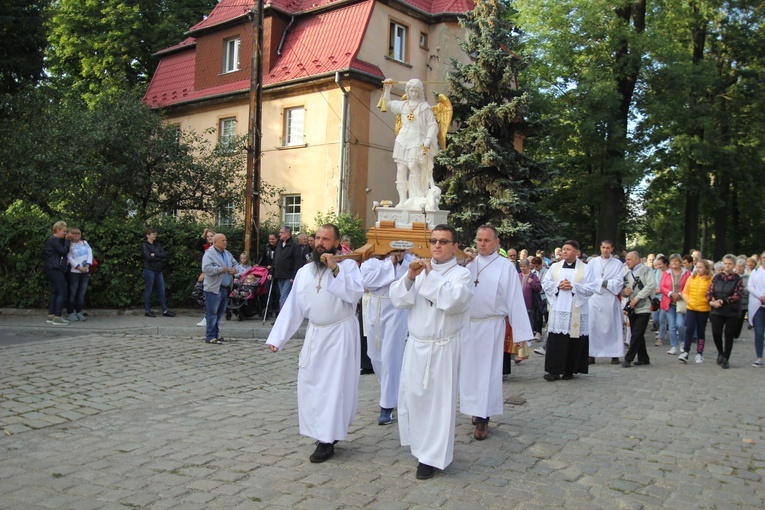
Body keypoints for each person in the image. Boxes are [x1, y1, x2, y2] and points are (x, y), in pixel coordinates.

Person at [266, 224, 363, 463]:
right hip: (315, 334)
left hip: (340, 333)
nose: (320, 243)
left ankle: (326, 440)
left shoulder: (348, 265)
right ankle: (320, 431)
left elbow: (354, 294)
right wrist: (278, 337)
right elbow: (293, 307)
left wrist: (335, 268)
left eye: (326, 239)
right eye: (317, 238)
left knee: (333, 387)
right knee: (310, 384)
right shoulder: (305, 271)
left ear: (337, 243)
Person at [390, 224, 472, 480]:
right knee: (415, 398)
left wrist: (429, 275)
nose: (437, 245)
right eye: (434, 241)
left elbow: (452, 301)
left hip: (443, 346)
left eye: (444, 241)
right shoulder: (418, 269)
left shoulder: (461, 274)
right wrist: (410, 278)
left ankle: (432, 457)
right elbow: (399, 300)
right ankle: (420, 447)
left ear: (454, 246)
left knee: (439, 403)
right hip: (417, 344)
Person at [461, 225, 532, 441]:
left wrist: (520, 335)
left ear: (496, 243)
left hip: (491, 325)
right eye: (479, 239)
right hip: (467, 325)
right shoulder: (468, 264)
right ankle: (475, 408)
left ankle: (483, 418)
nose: (481, 244)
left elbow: (514, 298)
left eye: (486, 240)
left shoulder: (505, 267)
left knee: (487, 373)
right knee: (470, 373)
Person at [361, 250, 412, 425]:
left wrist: (400, 262)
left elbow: (407, 279)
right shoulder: (371, 263)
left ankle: (387, 405)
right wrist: (390, 263)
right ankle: (391, 392)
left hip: (396, 310)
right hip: (375, 308)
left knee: (390, 356)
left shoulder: (409, 261)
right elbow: (368, 282)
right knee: (374, 355)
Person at [540, 240, 596, 381]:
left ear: (577, 252)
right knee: (557, 340)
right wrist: (558, 285)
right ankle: (554, 371)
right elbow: (545, 283)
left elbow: (591, 288)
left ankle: (569, 370)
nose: (564, 251)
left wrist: (573, 287)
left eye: (568, 249)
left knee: (574, 340)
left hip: (576, 309)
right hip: (559, 308)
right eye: (563, 249)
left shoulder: (586, 268)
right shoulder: (555, 267)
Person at [382, 78, 440, 208]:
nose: (413, 93)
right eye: (411, 90)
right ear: (407, 90)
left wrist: (428, 139)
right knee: (401, 168)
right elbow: (387, 104)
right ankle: (402, 200)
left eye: (416, 91)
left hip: (417, 139)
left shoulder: (424, 107)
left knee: (413, 165)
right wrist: (387, 89)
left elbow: (433, 125)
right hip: (403, 139)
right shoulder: (403, 105)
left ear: (420, 91)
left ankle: (418, 194)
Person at [587, 240, 625, 364]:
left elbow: (619, 282)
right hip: (595, 298)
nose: (605, 250)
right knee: (593, 326)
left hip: (610, 298)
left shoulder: (618, 264)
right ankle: (591, 354)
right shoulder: (592, 262)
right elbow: (588, 279)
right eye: (603, 247)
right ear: (600, 248)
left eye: (608, 248)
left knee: (612, 326)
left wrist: (603, 282)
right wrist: (603, 283)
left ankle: (614, 354)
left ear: (612, 249)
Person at [707, 254, 743, 369]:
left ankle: (726, 358)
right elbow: (709, 291)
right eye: (725, 263)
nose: (727, 266)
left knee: (729, 334)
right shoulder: (717, 277)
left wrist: (722, 301)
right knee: (716, 333)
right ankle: (720, 352)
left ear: (734, 265)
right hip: (717, 310)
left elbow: (737, 295)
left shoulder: (738, 279)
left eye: (729, 264)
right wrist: (711, 301)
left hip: (731, 311)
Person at [621, 251, 656, 368]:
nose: (627, 261)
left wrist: (637, 298)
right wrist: (625, 292)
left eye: (630, 259)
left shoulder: (647, 270)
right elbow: (623, 289)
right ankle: (643, 358)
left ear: (637, 260)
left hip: (644, 306)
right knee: (637, 333)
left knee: (636, 333)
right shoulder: (626, 272)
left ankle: (628, 358)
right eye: (626, 259)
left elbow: (650, 286)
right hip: (632, 307)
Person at [201, 234, 237, 344]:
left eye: (226, 240)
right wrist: (220, 269)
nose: (225, 242)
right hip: (213, 288)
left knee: (220, 312)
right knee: (212, 313)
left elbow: (236, 264)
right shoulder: (209, 254)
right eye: (223, 240)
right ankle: (210, 336)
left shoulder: (227, 253)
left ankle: (215, 334)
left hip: (225, 287)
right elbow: (206, 268)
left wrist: (234, 270)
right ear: (216, 242)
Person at [679, 259, 712, 364]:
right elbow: (685, 291)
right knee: (689, 329)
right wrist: (689, 300)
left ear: (706, 268)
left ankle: (699, 353)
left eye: (700, 267)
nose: (698, 269)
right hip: (691, 308)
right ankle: (686, 351)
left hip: (704, 309)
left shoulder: (711, 279)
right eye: (697, 267)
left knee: (700, 331)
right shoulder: (691, 278)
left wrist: (708, 301)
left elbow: (712, 293)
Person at [660, 254, 690, 355]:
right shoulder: (666, 273)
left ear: (680, 262)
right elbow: (662, 286)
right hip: (669, 302)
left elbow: (688, 286)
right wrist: (670, 293)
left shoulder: (687, 273)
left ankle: (682, 342)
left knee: (680, 324)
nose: (674, 263)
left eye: (676, 261)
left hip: (681, 302)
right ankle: (673, 346)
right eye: (672, 261)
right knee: (672, 326)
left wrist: (680, 294)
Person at [141, 228, 175, 318]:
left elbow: (164, 255)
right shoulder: (145, 245)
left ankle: (165, 310)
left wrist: (155, 254)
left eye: (155, 234)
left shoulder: (157, 244)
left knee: (162, 290)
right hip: (149, 269)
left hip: (158, 270)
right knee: (149, 289)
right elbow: (148, 257)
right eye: (152, 234)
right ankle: (147, 310)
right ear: (147, 235)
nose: (154, 235)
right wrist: (158, 256)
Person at [43, 221, 71, 325]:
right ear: (57, 230)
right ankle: (58, 316)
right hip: (55, 268)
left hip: (51, 267)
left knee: (55, 291)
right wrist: (68, 241)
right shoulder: (54, 240)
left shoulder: (53, 240)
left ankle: (51, 315)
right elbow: (63, 251)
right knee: (62, 290)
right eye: (64, 231)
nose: (65, 233)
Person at [514, 258, 540, 363]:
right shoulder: (518, 276)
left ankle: (528, 338)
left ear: (528, 266)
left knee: (529, 321)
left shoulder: (533, 276)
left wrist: (532, 283)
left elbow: (538, 288)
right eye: (521, 266)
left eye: (524, 266)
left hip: (529, 304)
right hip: (518, 304)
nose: (522, 268)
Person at [65, 227, 93, 322]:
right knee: (73, 292)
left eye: (78, 234)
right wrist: (78, 267)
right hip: (74, 272)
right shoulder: (69, 245)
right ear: (71, 235)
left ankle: (79, 311)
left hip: (85, 271)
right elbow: (68, 257)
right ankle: (70, 312)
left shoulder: (84, 243)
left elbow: (90, 253)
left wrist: (87, 266)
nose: (76, 235)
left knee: (81, 293)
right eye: (74, 233)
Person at [273, 226, 302, 310]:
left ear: (287, 233)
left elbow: (298, 262)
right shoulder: (279, 244)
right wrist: (272, 272)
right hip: (279, 274)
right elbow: (275, 259)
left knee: (284, 296)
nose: (279, 234)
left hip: (289, 276)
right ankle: (284, 316)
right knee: (282, 296)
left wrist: (294, 276)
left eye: (281, 232)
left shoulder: (295, 246)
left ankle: (282, 319)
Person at [748, 251, 765, 367]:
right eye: (764, 257)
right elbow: (750, 286)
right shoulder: (756, 272)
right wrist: (761, 296)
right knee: (759, 332)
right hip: (759, 306)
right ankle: (759, 357)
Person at [732, 258, 750, 340]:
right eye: (737, 266)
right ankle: (730, 333)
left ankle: (736, 333)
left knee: (740, 320)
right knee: (732, 319)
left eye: (741, 267)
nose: (739, 268)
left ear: (744, 267)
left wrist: (740, 290)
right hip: (732, 302)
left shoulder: (747, 277)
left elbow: (748, 289)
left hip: (743, 302)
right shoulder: (732, 275)